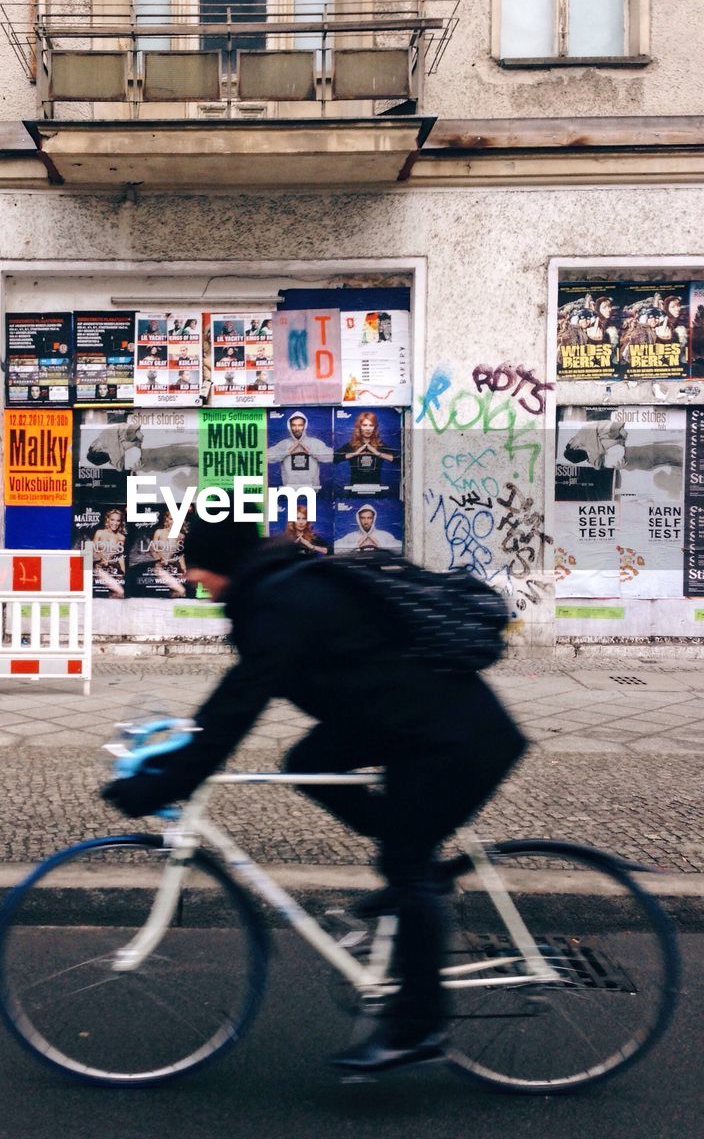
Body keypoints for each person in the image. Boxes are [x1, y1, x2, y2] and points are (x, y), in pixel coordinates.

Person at [102, 515, 527, 1072]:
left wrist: (161, 782)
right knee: (307, 762)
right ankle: (413, 873)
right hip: (408, 726)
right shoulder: (279, 588)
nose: (195, 582)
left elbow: (236, 710)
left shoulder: (281, 603)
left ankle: (417, 1029)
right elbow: (230, 706)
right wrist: (183, 751)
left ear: (222, 566)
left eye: (199, 572)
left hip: (456, 738)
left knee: (405, 860)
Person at [267, 411, 333, 490]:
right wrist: (286, 452)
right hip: (289, 491)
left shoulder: (314, 443)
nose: (297, 428)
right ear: (289, 426)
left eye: (300, 425)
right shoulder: (284, 444)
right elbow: (266, 457)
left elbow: (332, 456)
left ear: (305, 426)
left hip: (312, 490)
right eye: (294, 425)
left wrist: (312, 452)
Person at [336, 411, 397, 489]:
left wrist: (378, 454)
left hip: (376, 491)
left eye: (371, 425)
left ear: (375, 427)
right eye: (365, 425)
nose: (368, 429)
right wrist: (354, 454)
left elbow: (399, 459)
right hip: (355, 492)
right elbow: (334, 458)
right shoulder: (352, 445)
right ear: (359, 427)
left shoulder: (380, 445)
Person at [334, 503, 401, 553]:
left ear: (373, 518)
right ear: (358, 519)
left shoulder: (384, 535)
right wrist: (356, 545)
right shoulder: (352, 536)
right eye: (363, 518)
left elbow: (402, 549)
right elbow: (334, 549)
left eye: (369, 518)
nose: (366, 521)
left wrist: (381, 545)